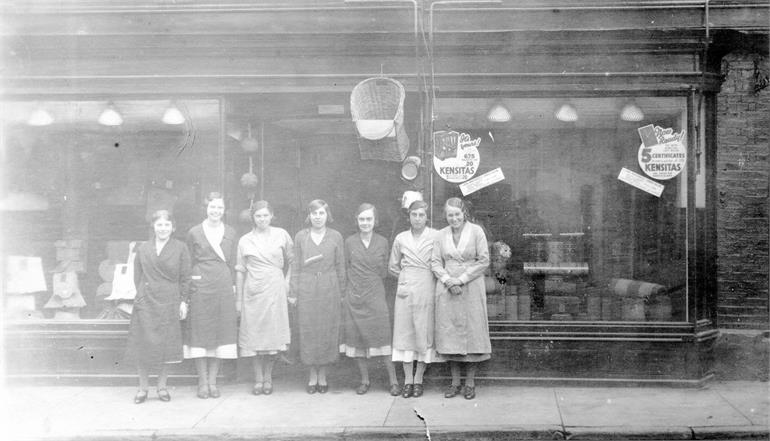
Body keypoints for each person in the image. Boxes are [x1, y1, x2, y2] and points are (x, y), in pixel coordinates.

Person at [126, 210, 191, 404]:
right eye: (159, 225)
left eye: (167, 225)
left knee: (167, 346)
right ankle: (143, 388)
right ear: (153, 227)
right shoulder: (143, 249)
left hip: (169, 300)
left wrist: (183, 301)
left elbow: (185, 278)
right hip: (146, 301)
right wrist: (142, 295)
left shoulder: (180, 248)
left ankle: (162, 387)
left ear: (173, 227)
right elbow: (137, 276)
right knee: (143, 345)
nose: (163, 228)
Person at [431, 197, 491, 400]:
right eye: (450, 215)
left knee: (472, 334)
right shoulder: (440, 235)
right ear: (445, 216)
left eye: (457, 214)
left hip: (471, 287)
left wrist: (462, 280)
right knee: (451, 335)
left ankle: (470, 383)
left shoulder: (476, 231)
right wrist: (449, 281)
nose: (454, 218)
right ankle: (455, 382)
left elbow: (484, 261)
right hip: (448, 290)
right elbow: (435, 263)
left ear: (464, 213)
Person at [235, 201, 294, 396]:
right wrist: (239, 300)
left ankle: (268, 377)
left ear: (271, 216)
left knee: (272, 336)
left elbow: (293, 261)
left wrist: (287, 281)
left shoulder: (282, 235)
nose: (262, 219)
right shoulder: (245, 240)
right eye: (258, 216)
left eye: (265, 216)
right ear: (253, 217)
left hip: (275, 288)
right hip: (253, 290)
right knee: (254, 335)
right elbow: (240, 270)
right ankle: (257, 378)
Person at [340, 203, 400, 396]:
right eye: (361, 219)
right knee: (357, 338)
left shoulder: (382, 241)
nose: (365, 223)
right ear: (356, 221)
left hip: (375, 294)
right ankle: (365, 380)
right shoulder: (349, 242)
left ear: (375, 221)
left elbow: (384, 270)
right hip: (355, 295)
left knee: (382, 336)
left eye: (369, 219)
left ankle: (393, 381)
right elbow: (345, 268)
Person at [185, 192, 238, 399]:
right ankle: (202, 381)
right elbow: (188, 261)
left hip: (222, 283)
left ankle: (213, 381)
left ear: (224, 210)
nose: (215, 211)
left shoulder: (231, 232)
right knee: (200, 330)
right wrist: (191, 284)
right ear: (206, 208)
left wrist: (232, 284)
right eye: (212, 207)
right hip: (200, 283)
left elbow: (233, 262)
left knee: (220, 331)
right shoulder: (194, 232)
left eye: (219, 208)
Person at [289, 199, 346, 394]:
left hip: (329, 286)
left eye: (321, 213)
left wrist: (342, 292)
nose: (318, 217)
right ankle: (312, 374)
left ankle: (323, 375)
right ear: (309, 216)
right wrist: (293, 291)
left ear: (327, 215)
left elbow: (341, 265)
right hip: (307, 285)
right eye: (314, 214)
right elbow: (295, 265)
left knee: (327, 329)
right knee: (309, 329)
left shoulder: (335, 236)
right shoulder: (301, 237)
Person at [388, 200, 442, 398]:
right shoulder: (401, 238)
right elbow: (392, 266)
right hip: (405, 288)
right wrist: (405, 277)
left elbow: (440, 262)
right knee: (405, 332)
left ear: (426, 217)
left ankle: (418, 379)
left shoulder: (436, 236)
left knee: (423, 331)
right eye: (414, 215)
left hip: (427, 286)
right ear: (408, 216)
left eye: (421, 215)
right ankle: (407, 380)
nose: (417, 219)